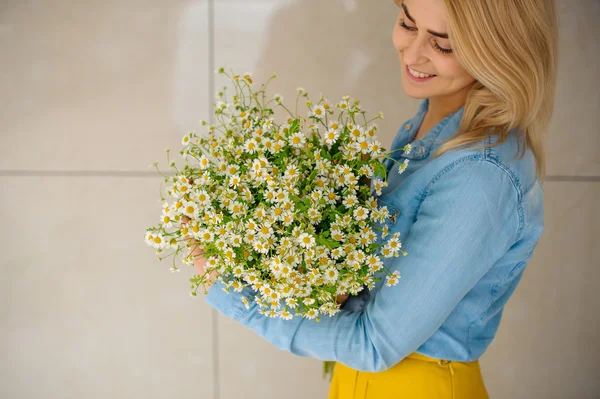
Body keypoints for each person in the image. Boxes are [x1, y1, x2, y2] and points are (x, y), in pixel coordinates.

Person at [186, 0, 558, 397]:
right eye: (406, 24)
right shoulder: (429, 131)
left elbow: (376, 344)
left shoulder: (481, 175)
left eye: (443, 44)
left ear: (499, 52)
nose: (413, 53)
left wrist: (230, 289)